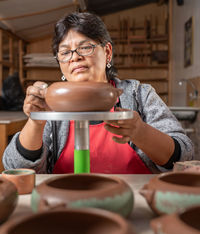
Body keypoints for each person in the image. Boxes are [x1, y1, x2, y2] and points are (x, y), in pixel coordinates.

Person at [3, 12, 194, 174]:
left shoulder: (139, 94)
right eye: (65, 52)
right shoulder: (51, 106)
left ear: (108, 53)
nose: (75, 57)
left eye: (85, 47)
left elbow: (184, 156)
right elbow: (15, 167)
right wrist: (36, 121)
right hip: (65, 206)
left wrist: (141, 132)